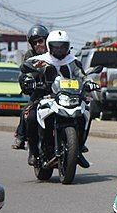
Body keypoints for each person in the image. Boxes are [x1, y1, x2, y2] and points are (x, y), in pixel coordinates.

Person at [21, 30, 90, 167]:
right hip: (46, 97)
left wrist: (89, 82)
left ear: (67, 47)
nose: (59, 50)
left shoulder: (73, 62)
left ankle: (78, 148)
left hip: (70, 97)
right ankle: (34, 153)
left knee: (86, 113)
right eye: (56, 47)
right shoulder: (42, 60)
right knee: (31, 117)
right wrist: (28, 79)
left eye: (62, 47)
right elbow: (26, 68)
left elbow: (81, 75)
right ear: (50, 46)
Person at [12, 24, 49, 150]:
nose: (38, 44)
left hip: (57, 90)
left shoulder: (55, 52)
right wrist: (29, 81)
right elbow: (26, 72)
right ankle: (22, 138)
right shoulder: (30, 55)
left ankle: (77, 145)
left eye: (40, 41)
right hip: (39, 90)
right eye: (35, 42)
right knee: (28, 113)